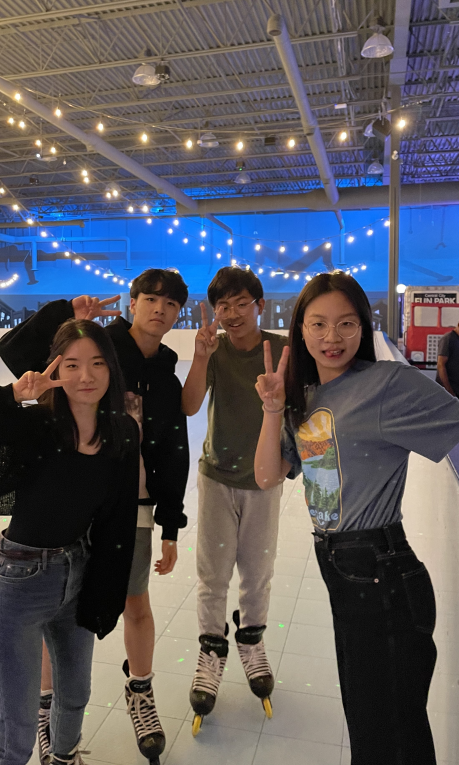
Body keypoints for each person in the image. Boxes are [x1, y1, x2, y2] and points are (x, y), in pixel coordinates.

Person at [253, 271, 459, 765]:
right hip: (342, 572)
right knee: (372, 727)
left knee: (390, 738)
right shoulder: (305, 396)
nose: (332, 336)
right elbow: (268, 476)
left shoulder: (385, 384)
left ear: (363, 327)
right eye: (318, 324)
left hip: (381, 574)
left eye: (346, 323)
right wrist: (273, 410)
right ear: (301, 330)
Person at [0, 270, 189, 764]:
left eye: (170, 303)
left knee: (133, 600)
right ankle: (46, 708)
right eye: (150, 298)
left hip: (130, 507)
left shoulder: (166, 375)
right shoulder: (99, 349)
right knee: (54, 612)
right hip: (69, 503)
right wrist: (65, 317)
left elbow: (172, 449)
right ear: (132, 302)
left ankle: (138, 690)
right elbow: (17, 355)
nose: (159, 309)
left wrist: (171, 521)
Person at [0, 320, 140, 765]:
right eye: (73, 365)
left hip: (78, 573)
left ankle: (64, 758)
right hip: (18, 581)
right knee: (17, 735)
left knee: (76, 696)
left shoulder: (122, 432)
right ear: (56, 370)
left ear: (112, 368)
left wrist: (106, 594)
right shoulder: (37, 426)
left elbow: (118, 521)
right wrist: (12, 396)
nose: (86, 376)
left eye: (97, 363)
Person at [181, 267, 287, 732]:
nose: (231, 313)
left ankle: (252, 638)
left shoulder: (281, 351)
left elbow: (300, 410)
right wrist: (200, 357)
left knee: (258, 570)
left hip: (264, 481)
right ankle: (211, 647)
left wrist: (288, 463)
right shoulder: (216, 350)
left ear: (259, 305)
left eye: (241, 303)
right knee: (213, 573)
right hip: (217, 477)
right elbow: (189, 405)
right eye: (223, 306)